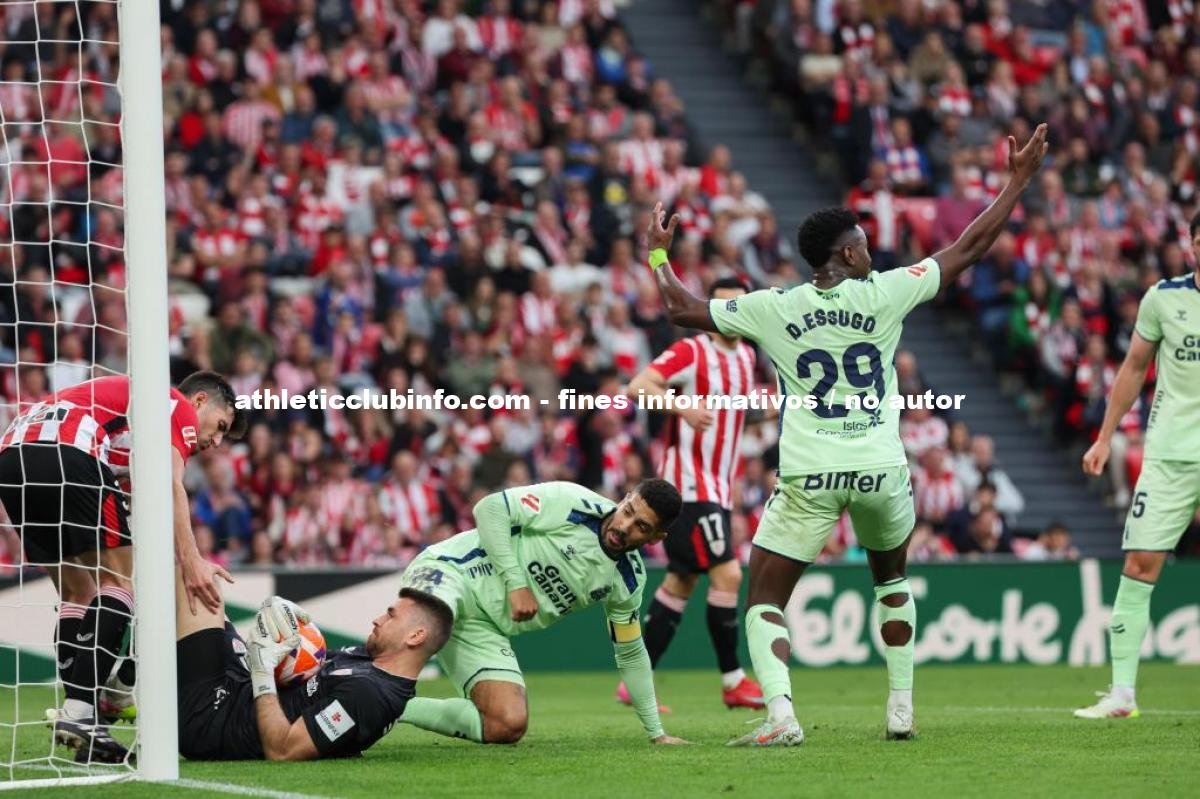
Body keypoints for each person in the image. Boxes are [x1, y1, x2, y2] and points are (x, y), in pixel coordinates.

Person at [644, 124, 1050, 745]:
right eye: (863, 243)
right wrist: (1018, 179)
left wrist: (657, 255)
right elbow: (969, 247)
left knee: (763, 599)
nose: (871, 251)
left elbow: (679, 308)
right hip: (882, 470)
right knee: (891, 582)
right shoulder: (885, 294)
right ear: (849, 255)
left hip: (811, 474)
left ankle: (781, 718)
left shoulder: (773, 306)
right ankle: (901, 711)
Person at [0, 371, 246, 762]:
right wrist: (193, 561)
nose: (216, 441)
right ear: (199, 401)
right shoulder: (175, 405)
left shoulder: (130, 436)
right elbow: (170, 485)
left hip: (13, 456)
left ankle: (87, 710)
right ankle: (85, 711)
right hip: (69, 447)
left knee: (78, 592)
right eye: (220, 427)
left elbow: (140, 520)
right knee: (122, 582)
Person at [396, 479, 688, 745]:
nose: (625, 526)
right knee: (399, 647)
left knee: (507, 724)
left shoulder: (628, 579)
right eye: (628, 511)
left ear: (656, 538)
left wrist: (657, 733)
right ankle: (365, 683)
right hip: (450, 573)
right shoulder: (573, 503)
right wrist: (516, 583)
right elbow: (489, 508)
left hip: (485, 627)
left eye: (642, 526)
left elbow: (631, 652)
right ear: (625, 497)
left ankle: (394, 707)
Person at [615, 276, 766, 709]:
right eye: (720, 307)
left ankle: (634, 682)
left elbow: (731, 415)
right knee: (729, 575)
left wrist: (763, 412)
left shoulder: (747, 357)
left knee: (680, 583)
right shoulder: (692, 351)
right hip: (688, 486)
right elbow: (638, 386)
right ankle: (734, 681)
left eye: (738, 306)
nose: (729, 315)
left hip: (717, 488)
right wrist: (682, 405)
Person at [1074, 210, 1200, 720]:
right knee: (1138, 566)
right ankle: (1122, 694)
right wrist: (1105, 437)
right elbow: (1132, 369)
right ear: (1191, 244)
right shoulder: (1164, 298)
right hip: (1170, 454)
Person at [174, 574, 449, 760]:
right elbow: (297, 663)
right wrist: (283, 621)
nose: (377, 620)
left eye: (391, 616)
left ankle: (130, 684)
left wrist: (261, 672)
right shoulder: (368, 661)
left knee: (189, 582)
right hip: (239, 687)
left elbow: (282, 750)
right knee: (201, 578)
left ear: (416, 636)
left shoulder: (370, 695)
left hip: (213, 720)